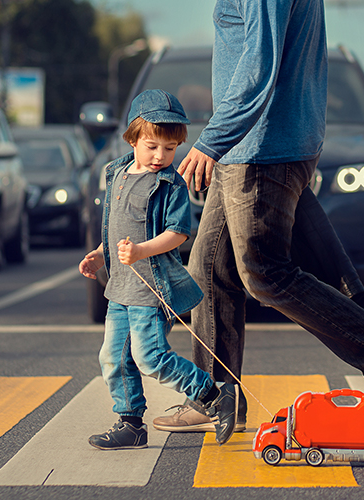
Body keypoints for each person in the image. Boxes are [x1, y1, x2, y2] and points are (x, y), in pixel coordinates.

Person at [153, 0, 364, 434]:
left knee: (264, 273)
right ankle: (216, 395)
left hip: (262, 148)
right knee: (207, 267)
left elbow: (259, 67)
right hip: (248, 146)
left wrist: (211, 140)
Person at [78, 89, 238, 449]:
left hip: (152, 288)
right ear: (133, 137)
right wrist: (101, 253)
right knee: (113, 357)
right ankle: (131, 423)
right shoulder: (116, 173)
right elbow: (117, 226)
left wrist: (140, 251)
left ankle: (213, 393)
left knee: (149, 356)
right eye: (152, 146)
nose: (160, 156)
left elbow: (178, 234)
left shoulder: (170, 185)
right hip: (120, 289)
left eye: (170, 148)